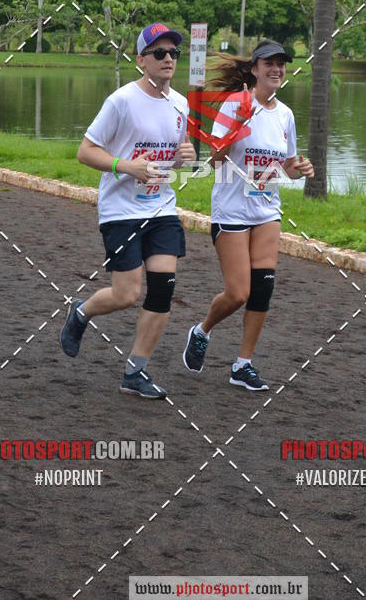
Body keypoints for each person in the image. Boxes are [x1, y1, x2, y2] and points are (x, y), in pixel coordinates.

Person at [61, 23, 196, 399]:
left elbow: (177, 157)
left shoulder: (181, 104)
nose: (168, 59)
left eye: (173, 54)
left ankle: (135, 372)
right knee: (126, 294)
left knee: (163, 289)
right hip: (121, 211)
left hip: (162, 207)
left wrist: (188, 156)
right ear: (141, 61)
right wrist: (126, 166)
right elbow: (85, 152)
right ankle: (81, 312)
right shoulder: (120, 100)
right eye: (159, 53)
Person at [182, 40, 314, 391]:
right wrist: (240, 122)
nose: (277, 69)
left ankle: (243, 365)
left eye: (282, 64)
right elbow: (215, 160)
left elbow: (286, 165)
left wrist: (299, 167)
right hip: (232, 210)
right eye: (269, 63)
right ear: (254, 69)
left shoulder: (285, 115)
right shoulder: (233, 106)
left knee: (263, 288)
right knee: (238, 293)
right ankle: (202, 330)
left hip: (267, 209)